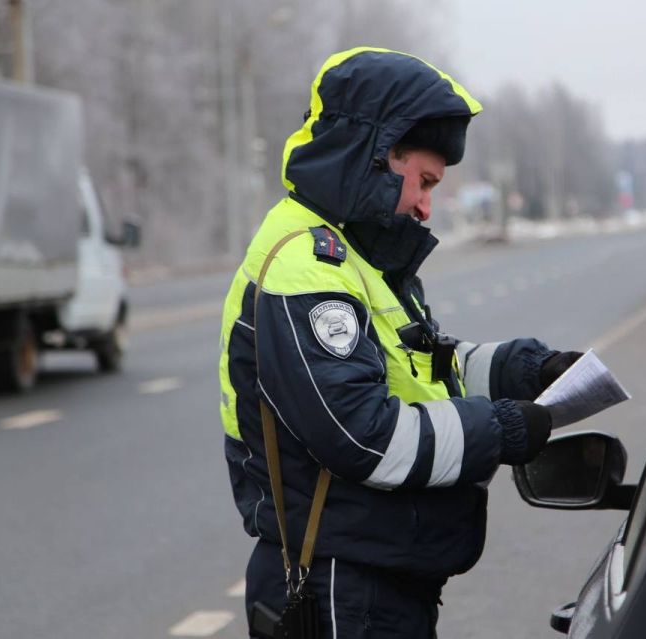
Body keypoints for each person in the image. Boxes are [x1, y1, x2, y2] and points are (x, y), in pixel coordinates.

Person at [218, 47, 581, 638]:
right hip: (340, 590)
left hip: (372, 582)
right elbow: (366, 434)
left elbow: (415, 372)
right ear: (377, 157)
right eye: (424, 182)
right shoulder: (305, 265)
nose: (426, 205)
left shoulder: (352, 252)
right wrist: (501, 430)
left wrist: (528, 371)